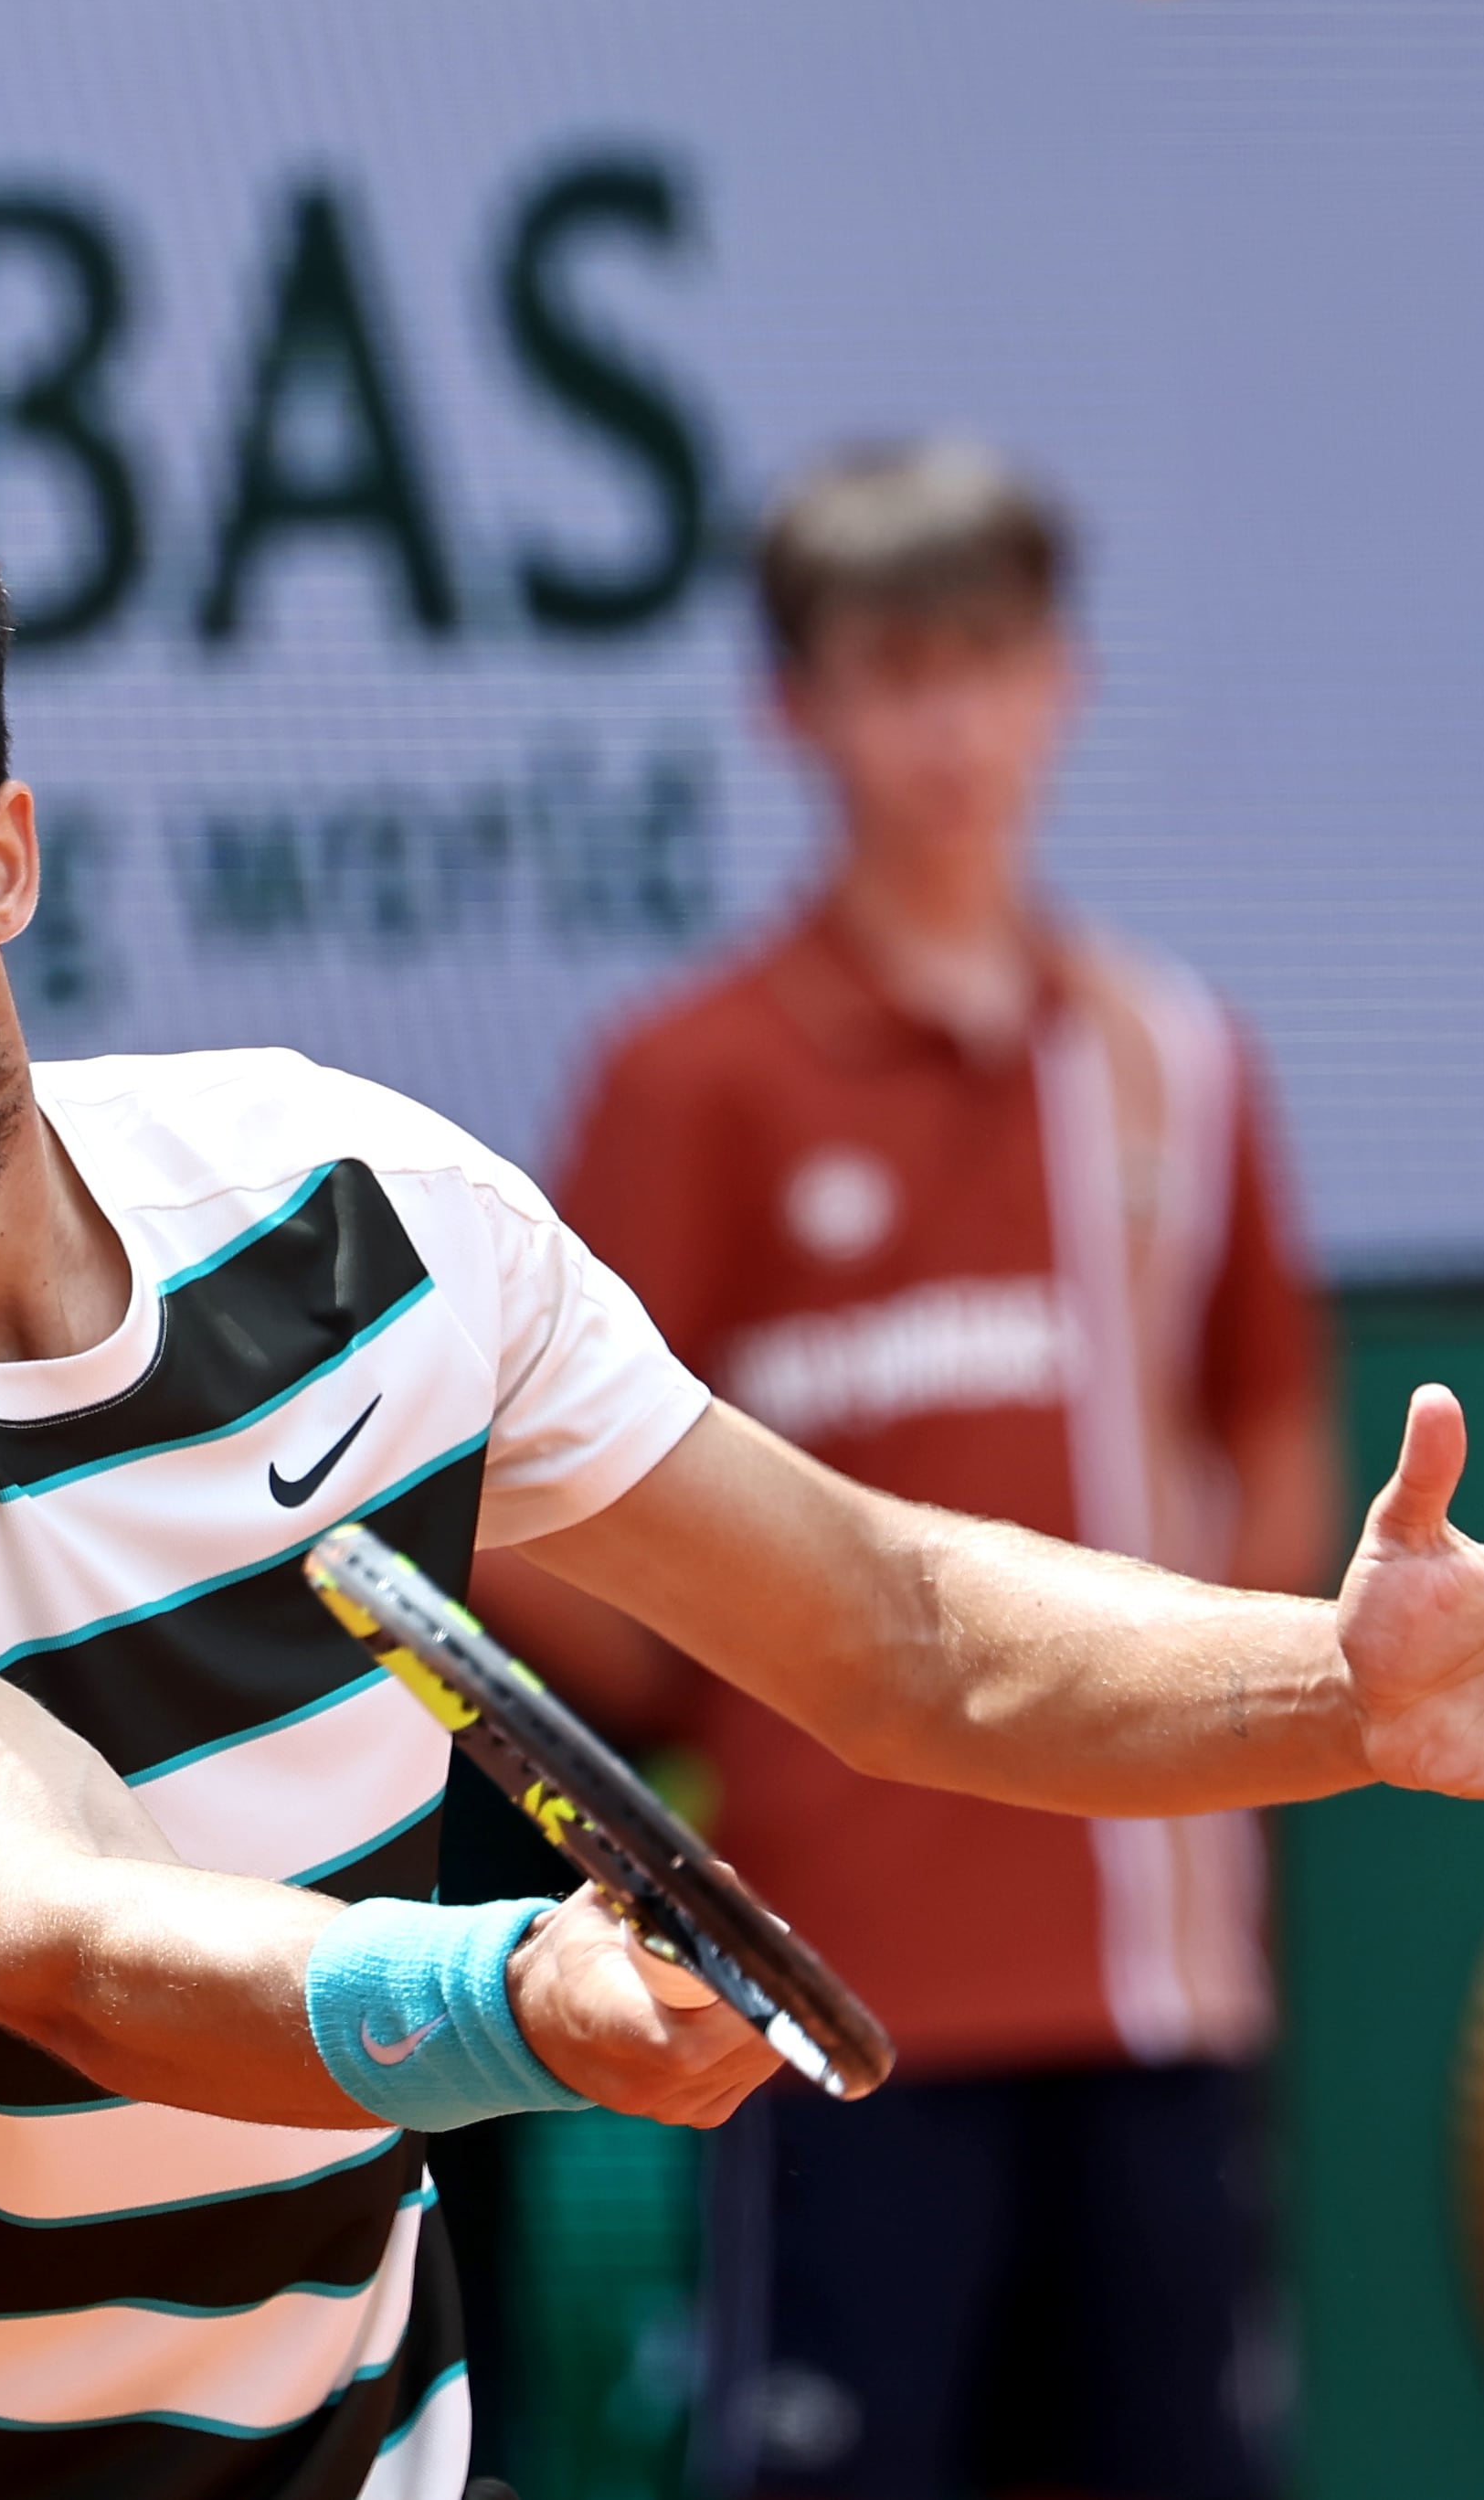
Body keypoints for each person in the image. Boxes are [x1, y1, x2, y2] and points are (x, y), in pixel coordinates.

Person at [0, 456, 1484, 2500]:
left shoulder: (353, 1215)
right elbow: (45, 1927)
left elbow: (890, 1624)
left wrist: (1334, 1686)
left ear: (1, 859)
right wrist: (510, 2002)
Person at [515, 440, 1335, 2500]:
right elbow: (521, 1491)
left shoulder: (1175, 1055)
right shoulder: (690, 1076)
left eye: (983, 660)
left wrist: (1222, 1710)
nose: (944, 725)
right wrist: (721, 1715)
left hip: (1158, 1977)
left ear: (1060, 676)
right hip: (830, 1980)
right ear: (790, 706)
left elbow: (1266, 1418)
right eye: (889, 671)